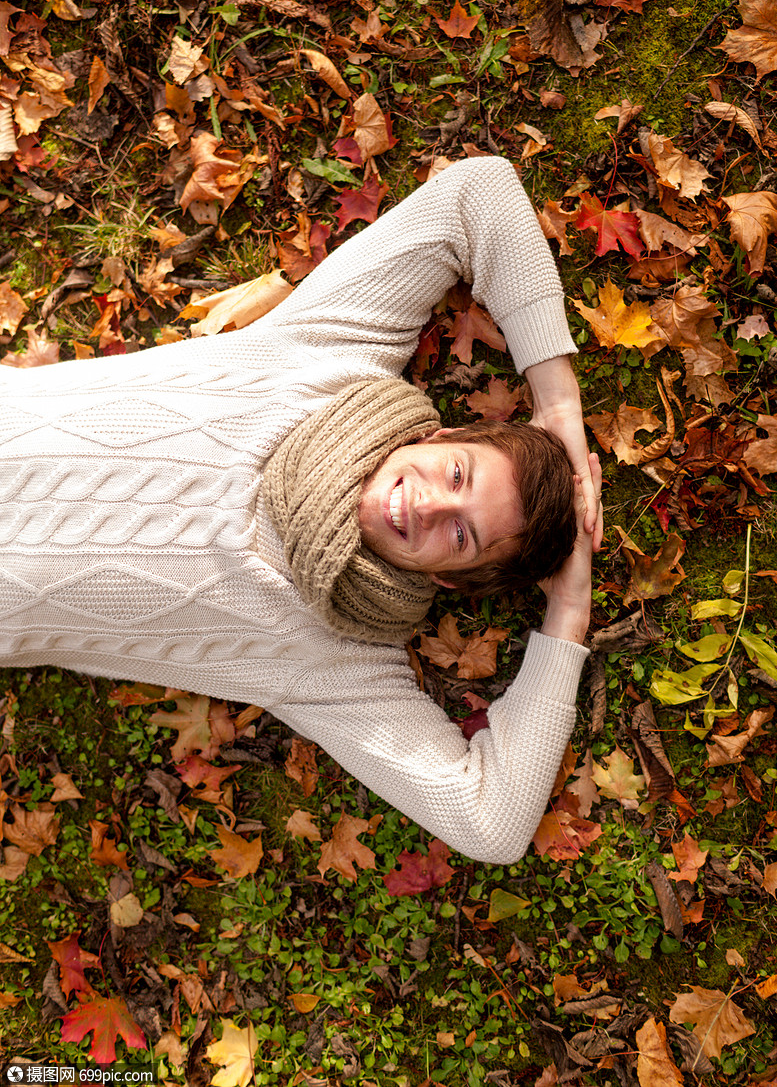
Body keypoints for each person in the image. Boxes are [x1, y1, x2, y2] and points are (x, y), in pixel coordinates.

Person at [0, 156, 601, 864]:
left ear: (450, 581)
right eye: (458, 472)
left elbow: (490, 821)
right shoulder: (333, 356)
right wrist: (559, 402)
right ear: (440, 436)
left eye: (461, 535)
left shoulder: (335, 657)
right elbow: (479, 194)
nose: (431, 502)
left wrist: (568, 614)